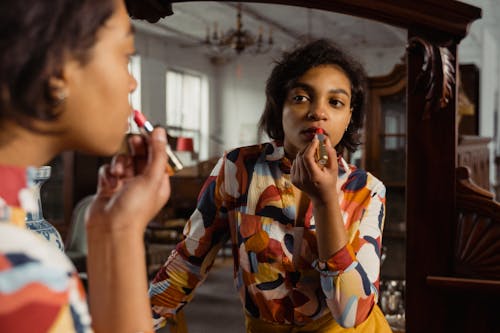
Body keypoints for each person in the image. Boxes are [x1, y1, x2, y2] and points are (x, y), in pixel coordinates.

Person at [150, 39, 392, 332]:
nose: (318, 112)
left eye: (335, 102)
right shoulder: (238, 168)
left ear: (349, 116)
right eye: (301, 97)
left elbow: (352, 315)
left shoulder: (367, 190)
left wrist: (326, 201)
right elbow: (187, 263)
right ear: (280, 106)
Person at [0, 0, 170, 332]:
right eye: (124, 56)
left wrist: (114, 229)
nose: (132, 83)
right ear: (57, 69)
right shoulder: (24, 271)